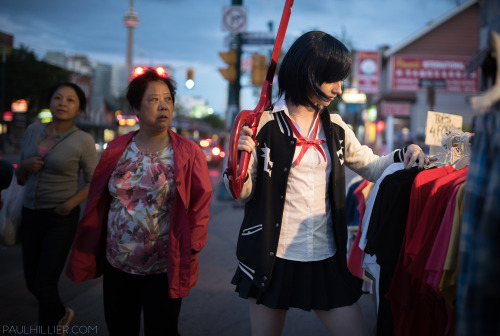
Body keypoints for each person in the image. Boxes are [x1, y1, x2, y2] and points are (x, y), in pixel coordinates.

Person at [225, 31, 430, 336]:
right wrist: (239, 159)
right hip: (271, 257)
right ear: (309, 74)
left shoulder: (335, 127)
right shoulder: (263, 125)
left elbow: (371, 166)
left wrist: (405, 154)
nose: (339, 88)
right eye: (333, 79)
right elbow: (242, 192)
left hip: (323, 254)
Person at [66, 68, 213, 336]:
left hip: (163, 265)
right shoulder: (117, 148)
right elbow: (100, 197)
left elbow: (200, 204)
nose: (163, 106)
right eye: (153, 99)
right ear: (136, 106)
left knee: (163, 330)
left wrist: (192, 246)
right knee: (120, 328)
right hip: (118, 263)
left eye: (168, 99)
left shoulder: (188, 152)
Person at [15, 82, 97, 331]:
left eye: (70, 100)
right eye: (58, 98)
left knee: (44, 283)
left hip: (60, 218)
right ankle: (61, 313)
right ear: (49, 102)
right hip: (30, 213)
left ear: (79, 108)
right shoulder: (32, 130)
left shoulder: (83, 140)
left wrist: (68, 205)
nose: (62, 103)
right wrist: (26, 165)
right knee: (31, 282)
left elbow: (94, 183)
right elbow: (19, 177)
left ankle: (48, 327)